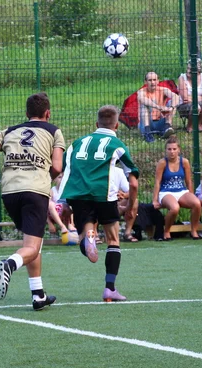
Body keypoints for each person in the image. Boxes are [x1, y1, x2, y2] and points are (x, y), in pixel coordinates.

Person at [0, 92, 65, 311]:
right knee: (32, 246)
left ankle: (38, 294)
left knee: (31, 243)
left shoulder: (9, 131)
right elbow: (57, 167)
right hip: (34, 191)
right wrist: (42, 174)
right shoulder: (53, 131)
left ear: (26, 114)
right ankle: (9, 265)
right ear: (47, 113)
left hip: (10, 191)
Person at [59, 105, 139, 302]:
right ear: (117, 125)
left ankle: (89, 239)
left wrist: (63, 200)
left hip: (78, 195)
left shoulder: (76, 143)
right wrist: (130, 207)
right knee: (113, 239)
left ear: (96, 124)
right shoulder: (117, 144)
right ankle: (109, 288)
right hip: (105, 196)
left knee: (85, 234)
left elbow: (65, 172)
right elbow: (133, 182)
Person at [152, 136, 202, 240]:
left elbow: (188, 181)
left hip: (182, 191)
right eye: (169, 149)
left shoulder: (184, 162)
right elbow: (157, 182)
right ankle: (166, 231)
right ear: (166, 150)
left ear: (179, 149)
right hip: (166, 192)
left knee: (197, 203)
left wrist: (191, 194)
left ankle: (194, 231)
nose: (172, 152)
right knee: (175, 208)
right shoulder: (162, 163)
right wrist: (155, 200)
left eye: (174, 149)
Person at [137, 71, 181, 143]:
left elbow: (176, 96)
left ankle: (167, 127)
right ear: (145, 82)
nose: (152, 82)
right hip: (146, 123)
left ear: (158, 81)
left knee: (172, 103)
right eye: (150, 80)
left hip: (160, 121)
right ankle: (147, 133)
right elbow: (142, 99)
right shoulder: (141, 91)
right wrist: (159, 107)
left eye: (154, 80)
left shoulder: (163, 90)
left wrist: (171, 108)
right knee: (145, 105)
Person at [177, 58, 202, 132]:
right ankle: (189, 126)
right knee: (196, 107)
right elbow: (185, 98)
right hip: (184, 105)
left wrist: (192, 97)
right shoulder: (182, 78)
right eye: (188, 68)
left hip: (198, 103)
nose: (188, 71)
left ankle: (198, 124)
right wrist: (200, 97)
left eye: (191, 70)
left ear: (198, 72)